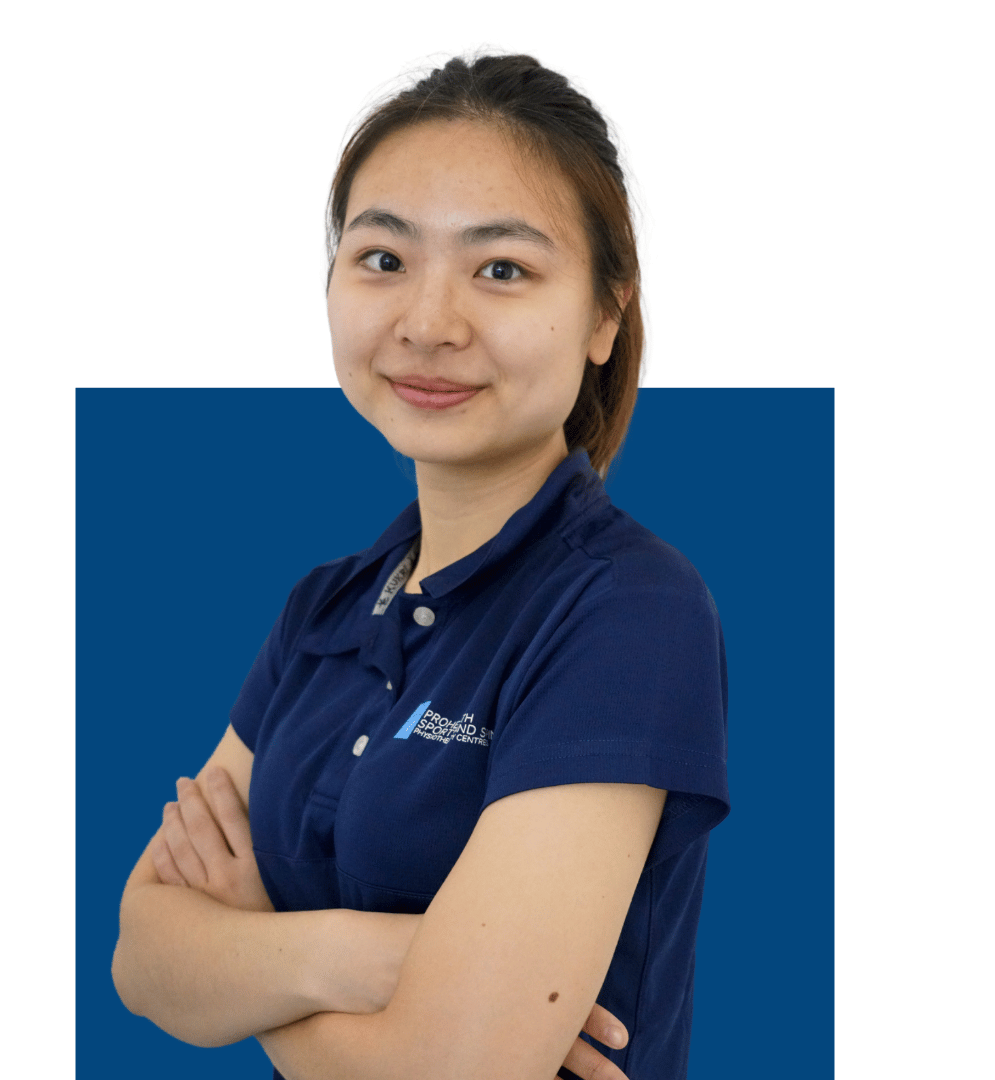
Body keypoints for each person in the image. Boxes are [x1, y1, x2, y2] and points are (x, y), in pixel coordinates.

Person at [111, 53, 729, 1080]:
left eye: (502, 270)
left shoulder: (630, 612)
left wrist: (244, 956)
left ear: (605, 315)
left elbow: (452, 1070)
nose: (428, 324)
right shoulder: (327, 605)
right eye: (384, 259)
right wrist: (373, 957)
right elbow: (143, 959)